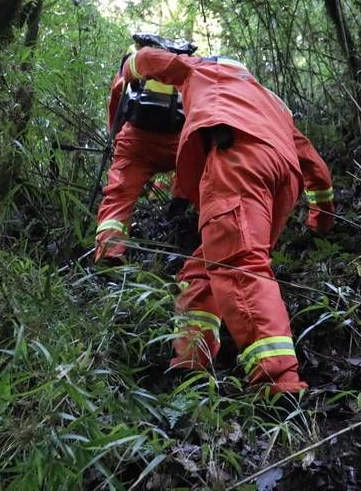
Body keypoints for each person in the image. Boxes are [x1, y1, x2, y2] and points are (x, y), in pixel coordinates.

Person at [122, 47, 335, 395]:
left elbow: (151, 59)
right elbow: (317, 171)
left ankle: (278, 380)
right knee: (203, 268)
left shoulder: (208, 71)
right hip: (281, 184)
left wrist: (126, 74)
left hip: (239, 160)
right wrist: (320, 223)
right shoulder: (272, 104)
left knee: (237, 265)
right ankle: (191, 361)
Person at [92, 57, 183, 264]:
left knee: (119, 197)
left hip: (135, 143)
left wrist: (116, 142)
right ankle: (180, 225)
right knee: (189, 179)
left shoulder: (133, 65)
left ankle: (109, 253)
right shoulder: (184, 70)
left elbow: (116, 105)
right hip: (178, 145)